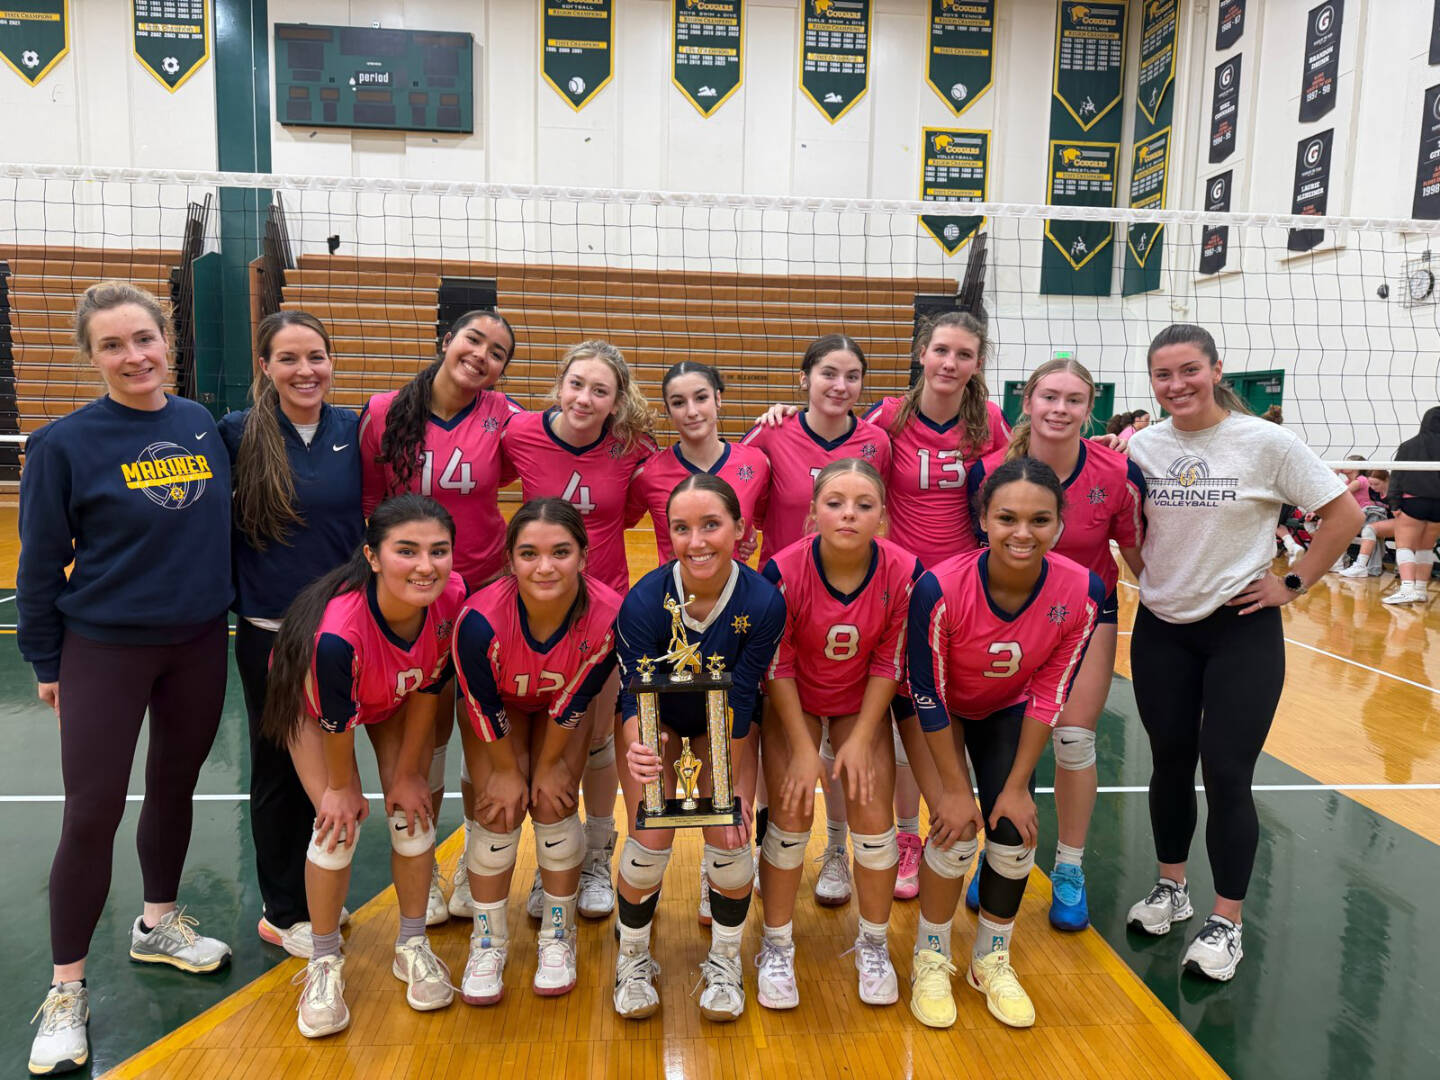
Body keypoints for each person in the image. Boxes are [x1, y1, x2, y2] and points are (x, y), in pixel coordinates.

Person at [19, 281, 234, 1076]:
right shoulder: (64, 446)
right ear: (92, 357)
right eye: (113, 346)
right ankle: (67, 989)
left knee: (175, 785)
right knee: (92, 811)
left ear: (166, 340)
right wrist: (47, 661)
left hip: (199, 642)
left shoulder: (199, 425)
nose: (134, 356)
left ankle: (158, 924)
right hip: (104, 649)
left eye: (144, 339)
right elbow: (39, 566)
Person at [1124, 324, 1361, 981]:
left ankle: (1227, 922)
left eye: (1189, 370)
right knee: (1169, 764)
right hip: (1162, 628)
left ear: (1216, 368)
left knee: (1226, 772)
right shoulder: (1141, 446)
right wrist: (1153, 576)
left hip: (1241, 629)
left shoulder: (1266, 442)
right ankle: (1172, 888)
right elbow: (1129, 527)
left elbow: (1345, 517)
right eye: (1163, 375)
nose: (1177, 385)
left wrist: (1291, 583)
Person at [904, 456, 1104, 1030]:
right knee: (956, 826)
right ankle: (931, 955)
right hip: (937, 711)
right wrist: (953, 788)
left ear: (1060, 524)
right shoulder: (939, 588)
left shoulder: (1083, 591)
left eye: (1039, 520)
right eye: (1007, 518)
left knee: (1014, 833)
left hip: (1008, 708)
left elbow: (1050, 690)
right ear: (983, 520)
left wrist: (1015, 787)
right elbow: (927, 695)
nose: (1023, 533)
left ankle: (991, 957)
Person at [261, 495, 468, 1037]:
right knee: (338, 827)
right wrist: (340, 787)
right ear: (373, 557)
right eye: (407, 551)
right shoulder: (336, 635)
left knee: (412, 813)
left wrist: (406, 776)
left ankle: (412, 943)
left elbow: (429, 685)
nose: (426, 565)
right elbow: (335, 723)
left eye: (438, 551)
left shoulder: (451, 599)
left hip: (391, 694)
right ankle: (324, 963)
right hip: (312, 708)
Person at [965, 358, 1144, 931]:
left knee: (1072, 737)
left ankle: (1069, 866)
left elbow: (1139, 557)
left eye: (1073, 399)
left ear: (1089, 407)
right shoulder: (991, 470)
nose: (1060, 409)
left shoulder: (1118, 472)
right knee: (1000, 736)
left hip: (1086, 614)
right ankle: (998, 854)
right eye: (1049, 397)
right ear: (1028, 402)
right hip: (1009, 617)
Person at [359, 308, 523, 923]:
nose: (482, 354)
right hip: (412, 596)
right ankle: (420, 871)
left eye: (497, 351)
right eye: (473, 339)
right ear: (446, 340)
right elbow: (372, 504)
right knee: (421, 736)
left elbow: (574, 429)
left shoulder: (503, 417)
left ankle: (477, 865)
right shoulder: (383, 413)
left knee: (479, 725)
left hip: (481, 592)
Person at [745, 335, 912, 906]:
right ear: (804, 378)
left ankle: (839, 851)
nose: (840, 386)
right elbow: (738, 487)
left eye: (852, 376)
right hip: (789, 598)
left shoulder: (877, 442)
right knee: (786, 760)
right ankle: (753, 847)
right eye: (828, 374)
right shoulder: (771, 432)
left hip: (859, 599)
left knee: (853, 748)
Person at [612, 475, 785, 1022]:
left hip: (725, 725)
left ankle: (726, 961)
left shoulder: (762, 602)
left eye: (711, 524)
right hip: (657, 720)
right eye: (681, 528)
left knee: (730, 837)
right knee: (647, 843)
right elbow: (634, 698)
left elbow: (740, 696)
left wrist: (729, 782)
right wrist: (641, 745)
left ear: (742, 529)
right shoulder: (643, 603)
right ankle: (633, 959)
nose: (697, 541)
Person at [219, 311, 364, 959]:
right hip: (271, 633)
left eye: (316, 357)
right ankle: (283, 912)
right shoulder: (238, 434)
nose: (305, 371)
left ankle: (316, 896)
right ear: (265, 367)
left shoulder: (354, 430)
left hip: (342, 633)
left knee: (333, 763)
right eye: (289, 358)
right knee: (278, 769)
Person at [502, 339, 658, 921]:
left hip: (604, 612)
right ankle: (553, 864)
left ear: (617, 401)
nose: (585, 398)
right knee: (546, 743)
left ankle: (595, 853)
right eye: (576, 384)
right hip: (532, 604)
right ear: (558, 384)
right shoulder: (519, 434)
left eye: (600, 390)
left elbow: (636, 512)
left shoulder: (631, 449)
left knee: (595, 742)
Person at [756, 460, 921, 1010]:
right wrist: (806, 751)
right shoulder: (784, 570)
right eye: (834, 503)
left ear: (884, 516)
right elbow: (776, 664)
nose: (848, 513)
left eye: (864, 504)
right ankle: (776, 944)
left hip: (860, 698)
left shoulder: (903, 570)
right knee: (792, 811)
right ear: (811, 514)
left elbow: (888, 659)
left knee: (873, 813)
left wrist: (857, 739)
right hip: (794, 695)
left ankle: (873, 944)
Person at [451, 499, 621, 1004]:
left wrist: (547, 768)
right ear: (510, 560)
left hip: (559, 706)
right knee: (499, 810)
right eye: (529, 553)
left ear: (584, 557)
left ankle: (557, 933)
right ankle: (488, 941)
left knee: (553, 802)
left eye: (560, 552)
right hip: (496, 708)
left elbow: (574, 703)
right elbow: (480, 705)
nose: (544, 567)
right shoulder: (478, 621)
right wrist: (506, 770)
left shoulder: (607, 616)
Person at [627, 361, 770, 563]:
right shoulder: (648, 474)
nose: (692, 411)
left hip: (736, 589)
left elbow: (765, 521)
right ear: (667, 411)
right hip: (675, 591)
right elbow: (613, 521)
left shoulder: (756, 463)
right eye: (678, 403)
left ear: (718, 399)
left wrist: (747, 532)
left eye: (701, 398)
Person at [1380, 407, 1440, 605]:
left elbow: (1397, 475)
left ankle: (1407, 589)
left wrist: (1394, 502)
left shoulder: (1409, 446)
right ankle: (1421, 590)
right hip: (1438, 506)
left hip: (1413, 502)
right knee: (1426, 548)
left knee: (1404, 545)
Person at [1338, 469, 1396, 578]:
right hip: (1380, 521)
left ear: (1387, 480)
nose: (1373, 487)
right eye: (1371, 484)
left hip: (1400, 522)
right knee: (1370, 520)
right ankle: (1346, 563)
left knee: (1370, 527)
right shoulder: (1373, 491)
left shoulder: (1395, 493)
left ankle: (1361, 566)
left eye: (1376, 484)